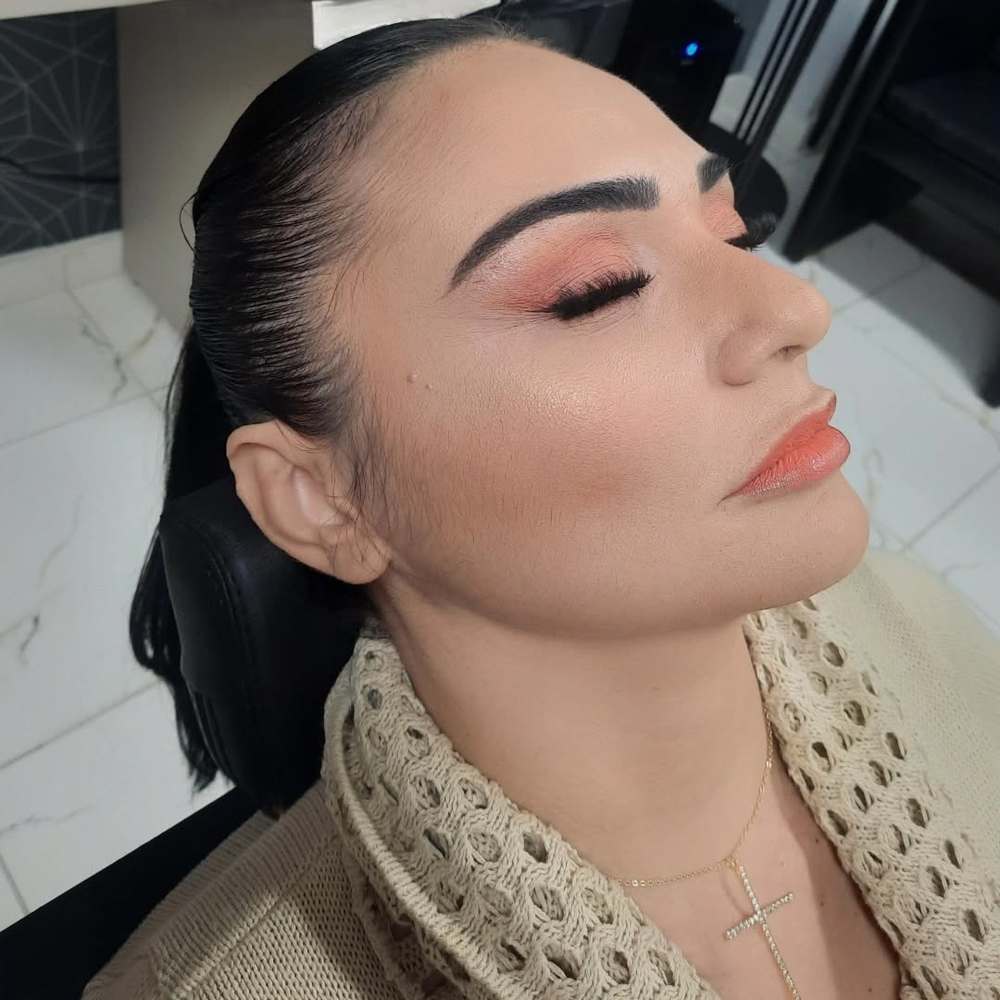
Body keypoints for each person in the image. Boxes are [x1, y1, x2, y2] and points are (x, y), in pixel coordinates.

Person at [85, 14, 1000, 1000]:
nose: (796, 310)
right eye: (594, 290)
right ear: (320, 499)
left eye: (732, 231)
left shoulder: (932, 629)